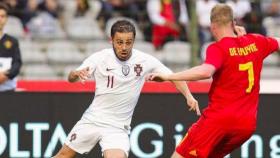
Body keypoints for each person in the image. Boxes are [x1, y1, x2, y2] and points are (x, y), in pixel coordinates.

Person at [147, 3, 280, 158]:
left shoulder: (218, 48)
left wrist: (169, 77)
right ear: (233, 23)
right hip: (246, 126)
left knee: (180, 156)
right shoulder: (256, 41)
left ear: (212, 26)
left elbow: (205, 71)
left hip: (219, 120)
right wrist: (244, 39)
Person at [53, 20, 200, 158]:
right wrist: (75, 74)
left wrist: (189, 96)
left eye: (128, 42)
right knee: (64, 155)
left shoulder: (144, 60)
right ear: (111, 40)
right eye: (119, 42)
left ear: (134, 41)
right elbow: (71, 79)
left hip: (117, 128)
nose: (124, 47)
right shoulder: (100, 58)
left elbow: (172, 76)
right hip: (92, 120)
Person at [0, 2, 22, 92]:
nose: (0, 19)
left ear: (6, 19)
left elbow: (17, 63)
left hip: (8, 90)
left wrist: (5, 76)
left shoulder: (12, 41)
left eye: (2, 16)